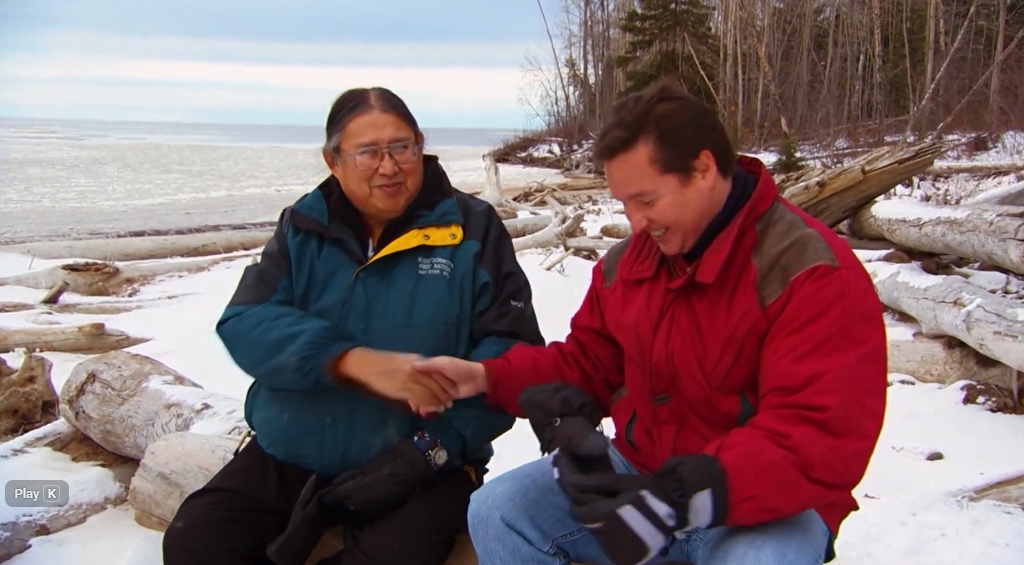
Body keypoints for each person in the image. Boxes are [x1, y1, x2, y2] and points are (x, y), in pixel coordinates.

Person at [415, 79, 888, 565]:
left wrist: (674, 500)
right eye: (623, 203)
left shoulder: (810, 272)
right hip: (642, 471)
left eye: (647, 200)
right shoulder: (630, 264)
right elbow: (589, 362)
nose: (635, 222)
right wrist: (486, 376)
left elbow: (812, 438)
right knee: (501, 510)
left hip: (762, 504)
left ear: (703, 169)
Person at [161, 86, 545, 565]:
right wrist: (347, 361)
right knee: (197, 539)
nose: (389, 167)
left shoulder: (471, 229)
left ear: (420, 145)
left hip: (420, 463)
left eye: (402, 147)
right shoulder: (304, 226)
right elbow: (247, 322)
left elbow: (513, 351)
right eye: (368, 152)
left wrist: (432, 449)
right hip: (292, 451)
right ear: (332, 160)